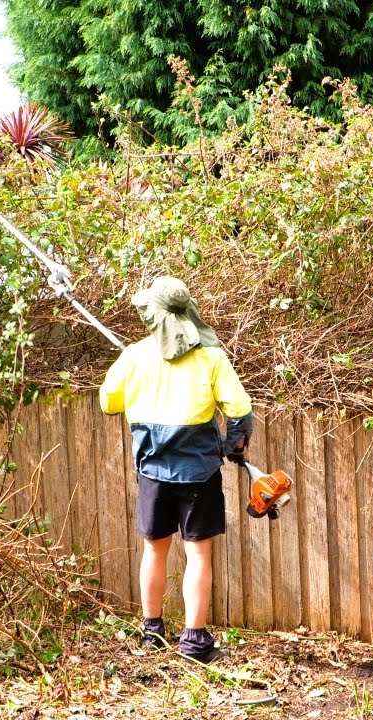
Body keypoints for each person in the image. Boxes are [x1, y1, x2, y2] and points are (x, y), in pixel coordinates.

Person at [98, 276, 253, 664]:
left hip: (152, 471)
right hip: (199, 473)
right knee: (198, 555)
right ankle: (195, 641)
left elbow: (108, 404)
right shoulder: (211, 357)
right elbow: (240, 411)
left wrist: (136, 376)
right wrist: (231, 445)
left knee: (154, 550)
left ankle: (152, 633)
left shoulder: (133, 356)